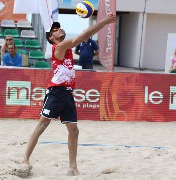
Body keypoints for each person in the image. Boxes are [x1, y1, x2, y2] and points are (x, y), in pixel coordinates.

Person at [20, 14, 116, 176]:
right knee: (42, 125)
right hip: (56, 92)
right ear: (52, 38)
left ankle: (73, 167)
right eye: (56, 30)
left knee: (74, 130)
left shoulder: (68, 50)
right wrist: (105, 22)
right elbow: (84, 35)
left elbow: (82, 38)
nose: (60, 30)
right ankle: (25, 159)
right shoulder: (59, 47)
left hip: (67, 93)